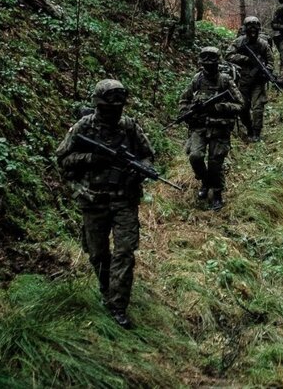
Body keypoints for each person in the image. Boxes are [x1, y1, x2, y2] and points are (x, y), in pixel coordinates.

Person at [55, 79, 155, 329]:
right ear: (98, 106)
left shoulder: (129, 126)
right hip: (93, 199)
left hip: (124, 199)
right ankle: (105, 287)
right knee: (98, 253)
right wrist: (93, 158)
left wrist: (140, 171)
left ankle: (118, 305)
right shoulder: (83, 128)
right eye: (109, 109)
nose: (114, 113)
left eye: (118, 109)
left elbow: (147, 155)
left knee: (124, 252)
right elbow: (63, 158)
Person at [179, 47, 244, 211]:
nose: (208, 66)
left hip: (219, 127)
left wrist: (219, 107)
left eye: (212, 62)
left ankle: (217, 193)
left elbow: (240, 104)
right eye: (205, 62)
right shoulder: (197, 80)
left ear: (218, 63)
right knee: (195, 157)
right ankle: (205, 181)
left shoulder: (225, 80)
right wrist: (188, 113)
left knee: (215, 162)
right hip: (199, 127)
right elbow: (184, 101)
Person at [225, 16, 274, 142]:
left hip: (258, 81)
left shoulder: (263, 44)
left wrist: (266, 70)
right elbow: (228, 55)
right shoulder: (239, 42)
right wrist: (245, 59)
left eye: (255, 27)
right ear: (245, 29)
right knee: (243, 107)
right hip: (243, 80)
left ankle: (256, 133)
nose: (253, 30)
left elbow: (270, 61)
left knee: (258, 107)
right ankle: (249, 128)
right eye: (250, 27)